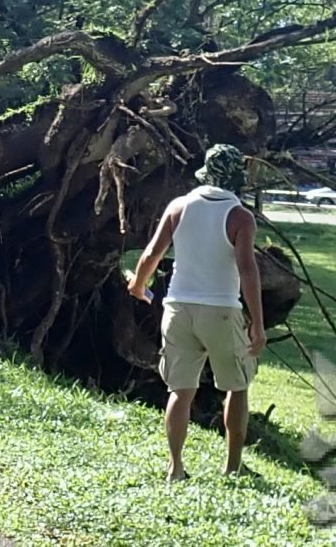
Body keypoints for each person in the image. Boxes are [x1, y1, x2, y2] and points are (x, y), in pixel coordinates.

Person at [126, 144, 268, 482]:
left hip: (177, 307)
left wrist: (138, 286)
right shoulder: (240, 216)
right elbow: (248, 271)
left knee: (180, 390)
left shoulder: (179, 206)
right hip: (221, 310)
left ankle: (175, 467)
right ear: (235, 178)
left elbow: (151, 253)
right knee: (237, 386)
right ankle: (233, 466)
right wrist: (258, 325)